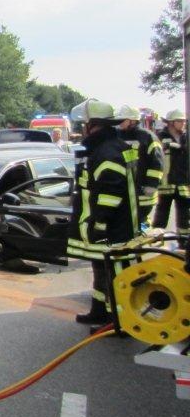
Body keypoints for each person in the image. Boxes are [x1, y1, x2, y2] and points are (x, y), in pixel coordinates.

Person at [66, 100, 138, 328]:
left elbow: (110, 193)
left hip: (113, 229)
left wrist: (99, 222)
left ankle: (119, 321)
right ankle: (99, 312)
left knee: (116, 276)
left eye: (85, 125)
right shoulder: (108, 147)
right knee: (100, 270)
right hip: (110, 226)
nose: (82, 129)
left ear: (92, 126)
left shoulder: (107, 152)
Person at [116, 104, 163, 227]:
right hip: (126, 190)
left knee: (141, 221)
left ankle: (145, 239)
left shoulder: (147, 137)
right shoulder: (117, 136)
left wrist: (151, 185)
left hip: (143, 193)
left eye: (123, 119)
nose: (119, 122)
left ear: (132, 120)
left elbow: (156, 162)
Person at [153, 109, 189, 245]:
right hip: (165, 183)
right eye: (180, 121)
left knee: (184, 216)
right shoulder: (160, 137)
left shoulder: (186, 137)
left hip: (183, 184)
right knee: (161, 215)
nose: (183, 124)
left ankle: (184, 243)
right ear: (171, 123)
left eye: (184, 121)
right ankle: (156, 242)